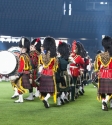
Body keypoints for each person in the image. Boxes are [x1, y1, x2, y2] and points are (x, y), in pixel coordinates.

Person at [38, 36, 58, 108]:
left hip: (43, 73)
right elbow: (56, 66)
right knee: (51, 89)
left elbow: (40, 64)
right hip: (50, 73)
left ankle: (44, 98)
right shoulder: (53, 55)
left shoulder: (42, 54)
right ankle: (46, 99)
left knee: (44, 88)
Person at [94, 36, 112, 111]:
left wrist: (98, 73)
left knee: (102, 92)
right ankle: (105, 101)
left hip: (101, 75)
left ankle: (103, 104)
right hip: (110, 74)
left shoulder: (99, 56)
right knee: (110, 91)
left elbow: (96, 67)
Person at [13, 37, 32, 103]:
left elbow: (21, 66)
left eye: (21, 47)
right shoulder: (27, 55)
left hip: (22, 73)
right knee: (19, 85)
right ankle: (20, 99)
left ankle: (21, 99)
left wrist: (18, 73)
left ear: (23, 48)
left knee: (18, 85)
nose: (20, 49)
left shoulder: (22, 56)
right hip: (27, 73)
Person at [55, 41, 70, 105]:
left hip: (59, 74)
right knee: (66, 88)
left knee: (59, 89)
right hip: (66, 74)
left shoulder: (57, 59)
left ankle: (59, 101)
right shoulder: (68, 59)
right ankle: (62, 98)